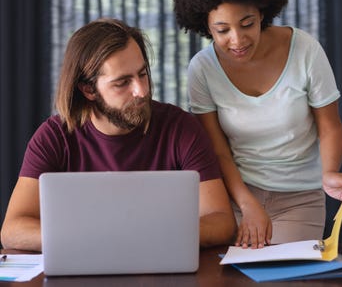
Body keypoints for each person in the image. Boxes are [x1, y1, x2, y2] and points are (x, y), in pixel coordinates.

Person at [173, 0, 342, 249]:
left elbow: (329, 126)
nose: (238, 40)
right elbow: (217, 152)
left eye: (248, 24)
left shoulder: (305, 50)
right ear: (205, 25)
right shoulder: (202, 69)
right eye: (222, 30)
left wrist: (328, 173)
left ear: (263, 11)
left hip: (298, 198)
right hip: (234, 196)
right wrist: (246, 205)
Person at [0, 18, 236, 252]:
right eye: (122, 82)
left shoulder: (181, 128)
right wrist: (97, 239)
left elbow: (221, 222)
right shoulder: (54, 137)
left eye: (142, 74)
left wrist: (141, 236)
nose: (141, 91)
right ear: (88, 89)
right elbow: (12, 230)